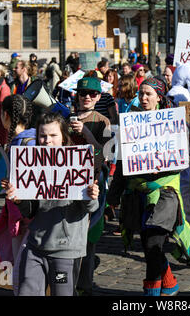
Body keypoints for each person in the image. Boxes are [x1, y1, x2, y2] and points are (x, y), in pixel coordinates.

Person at [107, 77, 190, 296]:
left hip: (165, 193)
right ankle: (170, 284)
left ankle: (152, 294)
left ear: (159, 98)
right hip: (138, 193)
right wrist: (113, 196)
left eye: (148, 94)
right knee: (148, 246)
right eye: (141, 94)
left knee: (154, 244)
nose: (143, 98)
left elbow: (185, 157)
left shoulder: (174, 123)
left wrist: (163, 166)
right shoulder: (131, 122)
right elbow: (122, 161)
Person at [3, 112, 99, 296]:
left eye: (53, 135)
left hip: (65, 252)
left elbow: (91, 209)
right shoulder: (31, 164)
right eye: (43, 135)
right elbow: (30, 211)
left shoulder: (78, 163)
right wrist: (18, 199)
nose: (47, 140)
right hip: (36, 246)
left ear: (63, 137)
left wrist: (91, 195)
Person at [69, 77, 111, 296]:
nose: (86, 97)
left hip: (91, 184)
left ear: (99, 97)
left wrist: (85, 132)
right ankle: (65, 280)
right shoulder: (65, 117)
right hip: (66, 184)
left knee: (87, 237)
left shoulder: (103, 121)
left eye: (92, 94)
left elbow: (103, 157)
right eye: (82, 93)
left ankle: (84, 285)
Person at [0, 95, 35, 290]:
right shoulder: (32, 138)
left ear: (5, 115)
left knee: (21, 265)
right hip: (26, 211)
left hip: (21, 214)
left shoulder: (21, 143)